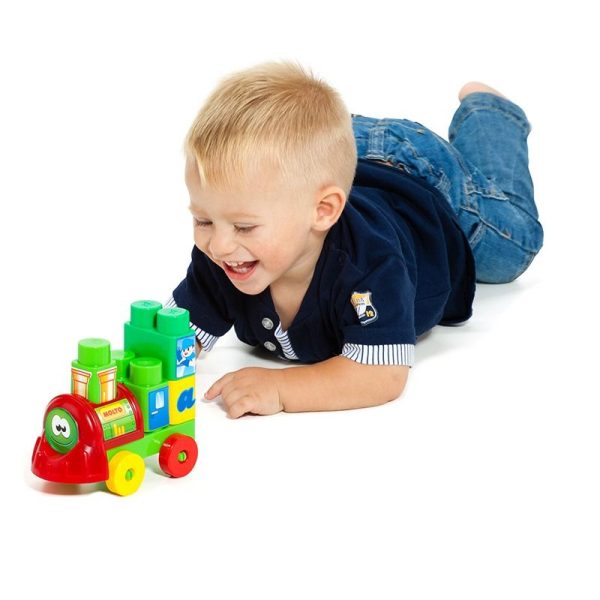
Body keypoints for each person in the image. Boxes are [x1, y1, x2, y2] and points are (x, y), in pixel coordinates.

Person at [168, 62, 543, 418]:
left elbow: (381, 375)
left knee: (511, 249)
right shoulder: (226, 251)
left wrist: (281, 389)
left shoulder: (369, 262)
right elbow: (176, 335)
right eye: (203, 220)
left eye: (244, 227)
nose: (218, 245)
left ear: (322, 211)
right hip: (335, 153)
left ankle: (489, 114)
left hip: (419, 172)